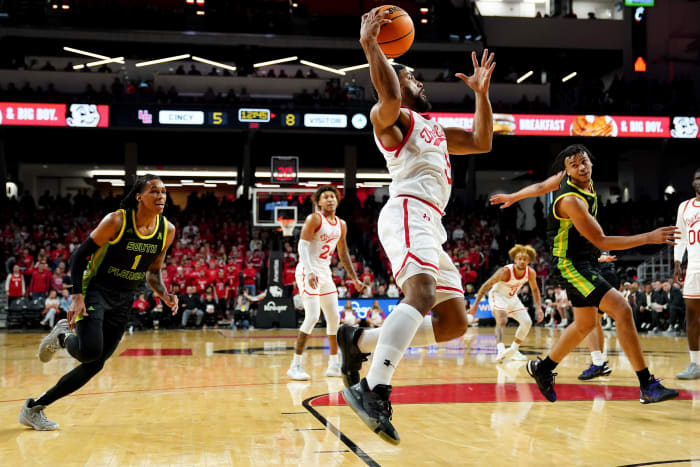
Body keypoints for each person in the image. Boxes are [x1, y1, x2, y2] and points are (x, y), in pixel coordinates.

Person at [340, 7, 495, 444]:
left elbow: (483, 141)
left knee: (454, 322)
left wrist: (481, 94)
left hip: (432, 223)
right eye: (412, 79)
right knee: (421, 294)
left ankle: (360, 341)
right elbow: (388, 97)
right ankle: (374, 388)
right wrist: (372, 46)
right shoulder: (390, 121)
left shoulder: (437, 129)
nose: (420, 84)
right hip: (408, 211)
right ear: (393, 79)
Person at [490, 144, 679, 404]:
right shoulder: (571, 201)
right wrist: (649, 237)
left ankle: (543, 369)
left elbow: (540, 186)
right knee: (622, 310)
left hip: (584, 259)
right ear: (566, 170)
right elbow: (601, 240)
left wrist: (514, 196)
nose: (581, 167)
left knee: (585, 324)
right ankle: (647, 384)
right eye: (575, 164)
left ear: (591, 162)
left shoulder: (578, 181)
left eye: (584, 161)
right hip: (571, 264)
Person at [19, 175, 178, 431]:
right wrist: (78, 296)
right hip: (96, 290)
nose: (161, 196)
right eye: (154, 191)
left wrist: (165, 293)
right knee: (91, 351)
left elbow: (153, 272)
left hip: (124, 298)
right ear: (139, 197)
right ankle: (62, 337)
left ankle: (34, 408)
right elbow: (79, 256)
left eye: (163, 191)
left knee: (95, 364)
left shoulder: (167, 230)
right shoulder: (116, 220)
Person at [287, 185, 362, 381]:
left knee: (334, 318)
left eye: (333, 197)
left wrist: (353, 277)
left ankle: (333, 364)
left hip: (325, 272)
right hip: (307, 270)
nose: (330, 199)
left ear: (337, 201)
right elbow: (302, 246)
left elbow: (343, 253)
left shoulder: (341, 224)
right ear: (318, 202)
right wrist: (310, 271)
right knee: (312, 316)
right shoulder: (314, 219)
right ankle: (295, 365)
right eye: (326, 197)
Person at [469, 244, 543, 362]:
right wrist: (475, 304)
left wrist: (539, 308)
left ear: (529, 261)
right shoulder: (504, 271)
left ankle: (513, 351)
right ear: (515, 260)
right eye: (519, 259)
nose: (522, 261)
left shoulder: (531, 273)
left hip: (512, 298)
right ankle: (500, 350)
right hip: (497, 295)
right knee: (502, 320)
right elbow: (486, 285)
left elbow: (535, 289)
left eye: (525, 259)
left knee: (527, 322)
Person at [675, 168, 700, 379]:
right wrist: (677, 262)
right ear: (692, 182)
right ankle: (695, 363)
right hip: (693, 268)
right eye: (697, 178)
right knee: (691, 316)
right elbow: (680, 238)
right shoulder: (685, 207)